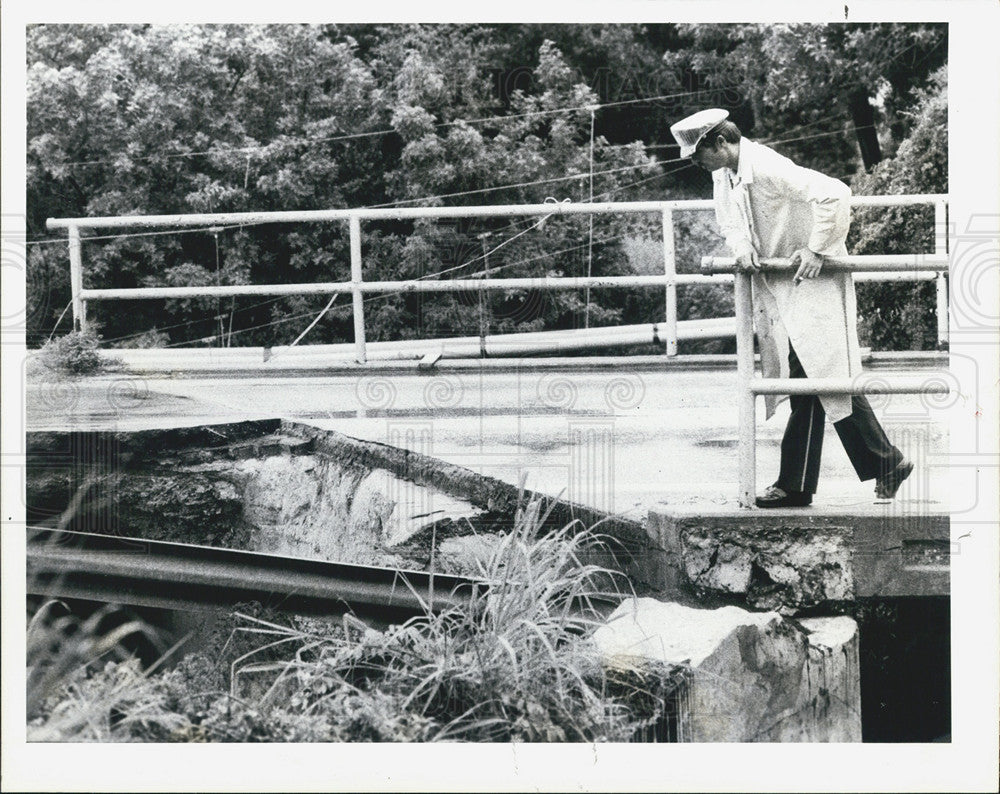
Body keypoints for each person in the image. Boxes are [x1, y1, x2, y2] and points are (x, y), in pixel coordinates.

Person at [670, 108, 913, 507]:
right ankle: (859, 469)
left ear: (720, 143)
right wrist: (742, 246)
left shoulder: (765, 165)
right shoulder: (724, 174)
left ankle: (819, 478)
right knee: (811, 376)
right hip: (783, 284)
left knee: (820, 372)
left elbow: (835, 192)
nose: (696, 164)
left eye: (699, 155)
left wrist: (817, 248)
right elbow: (729, 222)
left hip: (813, 282)